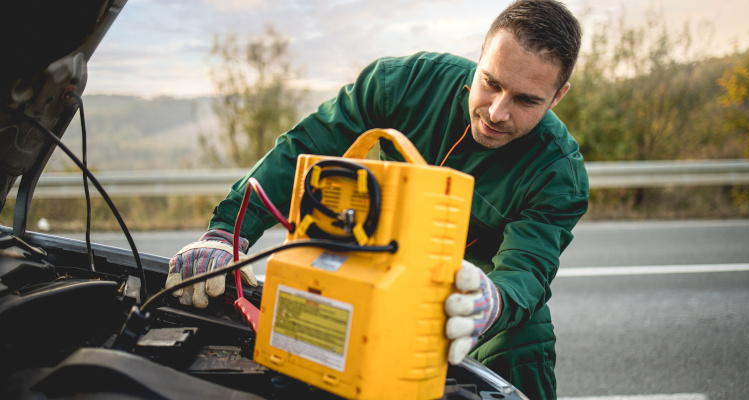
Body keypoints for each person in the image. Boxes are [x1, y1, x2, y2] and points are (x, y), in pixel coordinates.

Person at [167, 1, 587, 398]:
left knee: (522, 340)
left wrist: (493, 302)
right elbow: (305, 148)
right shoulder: (405, 84)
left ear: (558, 96)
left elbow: (527, 267)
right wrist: (226, 232)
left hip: (468, 284)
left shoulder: (558, 171)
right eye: (491, 83)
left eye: (525, 100)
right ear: (479, 58)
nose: (496, 112)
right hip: (375, 251)